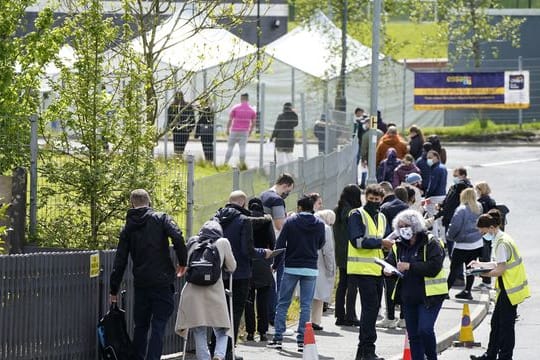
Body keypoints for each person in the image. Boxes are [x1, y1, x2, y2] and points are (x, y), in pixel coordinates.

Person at [109, 189, 187, 360]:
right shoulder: (161, 218)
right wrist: (183, 262)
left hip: (142, 283)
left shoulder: (128, 228)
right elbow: (178, 236)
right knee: (158, 325)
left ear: (132, 204)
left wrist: (113, 290)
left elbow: (120, 261)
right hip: (162, 281)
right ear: (149, 202)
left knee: (141, 326)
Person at [213, 191, 271, 360]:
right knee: (235, 313)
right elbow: (248, 250)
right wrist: (264, 252)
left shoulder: (216, 218)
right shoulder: (243, 220)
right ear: (244, 203)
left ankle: (215, 349)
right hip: (240, 273)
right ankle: (228, 352)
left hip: (217, 273)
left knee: (217, 313)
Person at [384, 210, 448, 360]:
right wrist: (387, 270)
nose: (403, 229)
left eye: (406, 225)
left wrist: (410, 266)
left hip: (430, 296)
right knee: (413, 335)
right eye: (400, 226)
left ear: (415, 225)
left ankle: (432, 357)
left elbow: (434, 267)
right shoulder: (398, 245)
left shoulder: (431, 242)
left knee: (425, 329)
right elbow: (391, 263)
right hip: (409, 296)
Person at [267, 194, 326, 352]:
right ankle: (302, 340)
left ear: (299, 207)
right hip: (310, 268)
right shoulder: (319, 223)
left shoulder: (291, 222)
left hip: (292, 267)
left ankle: (278, 338)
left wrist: (275, 264)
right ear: (311, 207)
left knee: (283, 303)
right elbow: (321, 243)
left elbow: (281, 244)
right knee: (306, 306)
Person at [469, 209, 530, 360]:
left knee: (505, 327)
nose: (483, 236)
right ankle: (490, 355)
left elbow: (500, 270)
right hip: (506, 288)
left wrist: (480, 274)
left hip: (510, 290)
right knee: (496, 324)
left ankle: (505, 356)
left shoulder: (501, 243)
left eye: (483, 232)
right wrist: (480, 264)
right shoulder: (502, 238)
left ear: (491, 228)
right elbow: (498, 263)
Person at [175, 220, 236, 360]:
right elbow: (232, 267)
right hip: (215, 292)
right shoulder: (222, 242)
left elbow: (185, 264)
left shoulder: (192, 242)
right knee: (223, 328)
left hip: (193, 292)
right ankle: (219, 356)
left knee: (198, 329)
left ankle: (204, 358)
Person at [347, 184, 394, 360]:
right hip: (361, 269)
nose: (373, 202)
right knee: (371, 308)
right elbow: (357, 241)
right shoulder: (357, 214)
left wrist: (388, 257)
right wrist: (381, 243)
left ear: (382, 200)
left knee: (373, 309)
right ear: (365, 197)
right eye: (371, 199)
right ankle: (367, 350)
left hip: (377, 269)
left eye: (377, 199)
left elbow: (387, 240)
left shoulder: (381, 217)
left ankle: (364, 351)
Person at [260, 173, 295, 332]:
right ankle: (273, 322)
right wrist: (291, 219)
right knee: (276, 286)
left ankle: (266, 322)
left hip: (263, 243)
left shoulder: (263, 195)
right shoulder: (277, 200)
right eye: (288, 190)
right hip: (276, 246)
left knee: (266, 286)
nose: (287, 194)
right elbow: (280, 225)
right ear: (285, 185)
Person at [377, 183, 408, 329]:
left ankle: (389, 317)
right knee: (403, 284)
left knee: (389, 284)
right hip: (406, 251)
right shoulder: (405, 207)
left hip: (390, 252)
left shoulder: (384, 208)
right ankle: (403, 318)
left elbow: (384, 232)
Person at [244, 198, 275, 342]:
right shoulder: (267, 220)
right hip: (263, 262)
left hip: (248, 263)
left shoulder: (244, 220)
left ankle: (250, 332)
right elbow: (273, 243)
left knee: (248, 300)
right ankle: (262, 332)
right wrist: (271, 262)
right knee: (263, 300)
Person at [445, 188, 484, 300]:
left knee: (454, 268)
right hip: (476, 243)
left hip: (462, 244)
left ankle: (445, 291)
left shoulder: (461, 210)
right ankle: (467, 291)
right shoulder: (479, 207)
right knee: (470, 268)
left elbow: (454, 226)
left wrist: (450, 237)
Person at [333, 184, 362, 327]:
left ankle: (339, 315)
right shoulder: (353, 213)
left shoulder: (337, 211)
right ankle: (351, 315)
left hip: (340, 252)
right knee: (352, 285)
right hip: (352, 252)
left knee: (342, 284)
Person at [434, 166, 472, 257]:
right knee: (451, 244)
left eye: (456, 175)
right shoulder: (455, 187)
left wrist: (438, 214)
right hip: (450, 218)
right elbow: (448, 199)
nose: (454, 177)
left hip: (455, 219)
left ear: (463, 176)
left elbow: (451, 205)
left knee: (455, 245)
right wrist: (441, 205)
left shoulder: (463, 187)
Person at [311, 209, 336, 331]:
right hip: (320, 264)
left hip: (304, 262)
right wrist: (331, 268)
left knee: (307, 295)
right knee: (318, 295)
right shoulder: (325, 228)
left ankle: (305, 320)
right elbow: (328, 251)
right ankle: (315, 321)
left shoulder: (308, 223)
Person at [474, 181, 497, 290]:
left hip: (484, 231)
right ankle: (486, 281)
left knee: (484, 256)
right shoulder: (491, 201)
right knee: (486, 255)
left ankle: (486, 282)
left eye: (477, 189)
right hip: (490, 232)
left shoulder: (481, 202)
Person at [224, 93, 256, 165]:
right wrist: (250, 131)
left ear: (241, 98)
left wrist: (227, 129)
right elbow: (253, 122)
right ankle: (242, 164)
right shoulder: (251, 110)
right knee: (242, 148)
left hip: (234, 130)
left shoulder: (235, 108)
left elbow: (230, 119)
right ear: (248, 99)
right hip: (244, 131)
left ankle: (225, 163)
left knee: (230, 147)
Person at [423, 150, 447, 243]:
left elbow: (432, 185)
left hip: (434, 197)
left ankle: (435, 240)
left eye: (430, 157)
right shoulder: (443, 167)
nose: (428, 160)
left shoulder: (435, 169)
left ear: (436, 157)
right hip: (442, 195)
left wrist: (427, 195)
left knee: (432, 218)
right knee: (441, 219)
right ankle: (444, 240)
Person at [195, 98, 215, 162]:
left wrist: (197, 134)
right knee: (210, 145)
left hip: (203, 131)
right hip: (211, 131)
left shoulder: (202, 110)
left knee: (205, 146)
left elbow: (199, 121)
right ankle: (210, 159)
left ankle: (207, 159)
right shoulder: (212, 110)